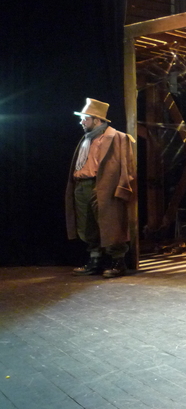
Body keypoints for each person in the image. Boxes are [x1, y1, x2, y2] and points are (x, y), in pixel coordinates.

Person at [66, 98, 135, 278]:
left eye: (85, 118)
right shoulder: (86, 139)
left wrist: (122, 188)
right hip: (82, 186)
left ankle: (118, 262)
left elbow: (127, 166)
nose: (82, 122)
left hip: (104, 186)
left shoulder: (118, 137)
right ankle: (95, 260)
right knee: (86, 225)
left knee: (111, 225)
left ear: (97, 120)